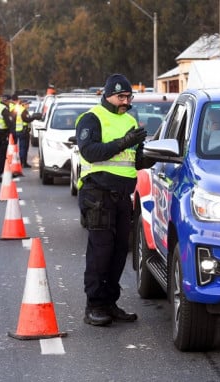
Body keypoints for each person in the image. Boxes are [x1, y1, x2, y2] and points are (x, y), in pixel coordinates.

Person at [75, 73, 152, 326]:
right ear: (107, 95)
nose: (125, 101)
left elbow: (135, 159)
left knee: (119, 251)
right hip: (97, 194)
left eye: (129, 97)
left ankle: (109, 302)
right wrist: (124, 142)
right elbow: (90, 152)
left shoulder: (130, 120)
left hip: (122, 197)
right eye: (121, 96)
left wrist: (153, 156)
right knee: (101, 252)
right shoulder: (91, 119)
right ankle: (94, 305)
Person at [10, 96, 41, 168]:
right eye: (27, 104)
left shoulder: (17, 109)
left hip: (18, 130)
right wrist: (34, 117)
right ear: (23, 104)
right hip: (23, 131)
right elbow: (27, 120)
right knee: (24, 147)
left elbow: (12, 118)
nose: (28, 105)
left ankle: (23, 162)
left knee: (22, 147)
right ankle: (23, 163)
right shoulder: (23, 110)